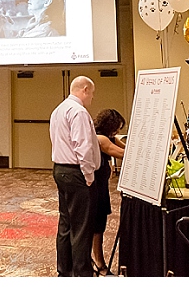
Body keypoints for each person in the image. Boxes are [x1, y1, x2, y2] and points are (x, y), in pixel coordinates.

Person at [49, 76, 101, 277]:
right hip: (76, 173)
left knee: (66, 223)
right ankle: (81, 273)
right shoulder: (78, 111)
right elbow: (83, 146)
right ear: (85, 89)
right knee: (81, 227)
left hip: (60, 169)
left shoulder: (58, 110)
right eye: (92, 94)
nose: (92, 98)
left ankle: (65, 270)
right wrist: (89, 175)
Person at [91, 109, 127, 275]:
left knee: (100, 223)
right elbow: (120, 153)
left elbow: (124, 147)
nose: (118, 131)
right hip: (95, 185)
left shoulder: (109, 137)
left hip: (102, 185)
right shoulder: (100, 138)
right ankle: (98, 262)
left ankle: (97, 261)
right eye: (116, 127)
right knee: (96, 224)